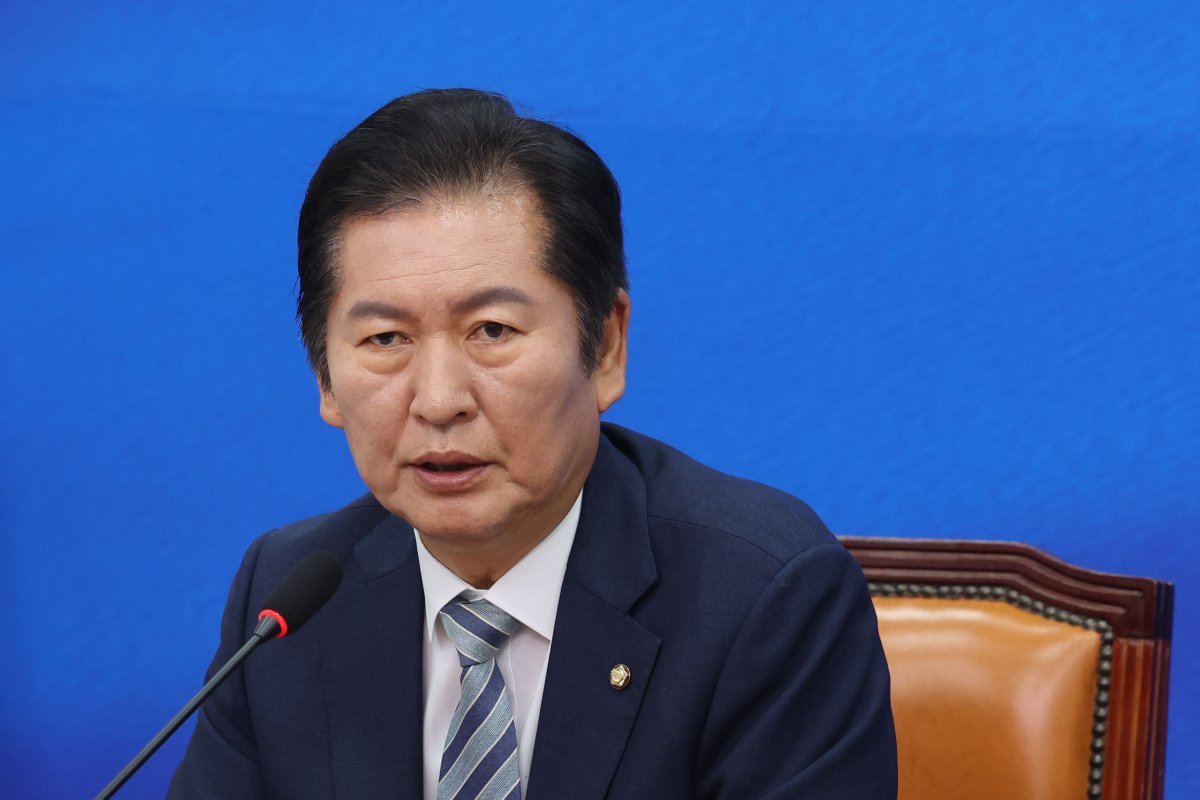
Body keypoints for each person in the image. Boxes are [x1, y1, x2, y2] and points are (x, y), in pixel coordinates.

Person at [169, 88, 897, 799]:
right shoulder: (285, 606)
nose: (439, 400)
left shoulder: (760, 597)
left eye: (492, 330)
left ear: (605, 347)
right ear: (325, 378)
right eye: (385, 338)